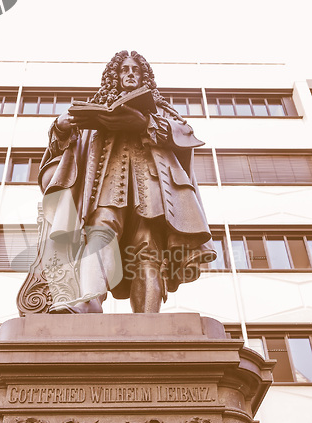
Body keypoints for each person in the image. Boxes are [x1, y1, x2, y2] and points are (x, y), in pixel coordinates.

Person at [38, 50, 216, 314]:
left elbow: (185, 134)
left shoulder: (161, 109)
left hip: (153, 186)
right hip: (106, 182)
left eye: (136, 70)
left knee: (147, 246)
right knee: (101, 230)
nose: (131, 73)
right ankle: (89, 300)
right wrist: (61, 126)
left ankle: (148, 318)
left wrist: (144, 123)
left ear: (144, 76)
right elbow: (67, 145)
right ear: (115, 76)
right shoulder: (96, 105)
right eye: (124, 69)